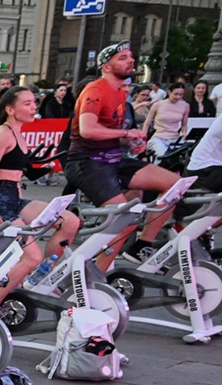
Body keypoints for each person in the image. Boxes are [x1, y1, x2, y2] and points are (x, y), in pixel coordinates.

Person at [63, 43, 182, 269]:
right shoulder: (95, 90)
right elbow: (88, 130)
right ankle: (91, 271)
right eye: (122, 57)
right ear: (106, 67)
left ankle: (141, 246)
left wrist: (132, 143)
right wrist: (127, 133)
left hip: (114, 159)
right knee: (125, 219)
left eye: (130, 56)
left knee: (175, 184)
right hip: (88, 164)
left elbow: (110, 134)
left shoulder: (119, 93)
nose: (131, 60)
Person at [0, 86, 81, 314]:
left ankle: (39, 277)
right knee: (31, 255)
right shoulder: (3, 133)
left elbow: (20, 173)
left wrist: (44, 168)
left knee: (70, 221)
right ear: (10, 110)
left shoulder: (19, 132)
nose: (34, 107)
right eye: (27, 104)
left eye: (34, 102)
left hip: (14, 198)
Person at [144, 84, 190, 157]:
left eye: (181, 95)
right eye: (176, 94)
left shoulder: (185, 106)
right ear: (169, 92)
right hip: (158, 137)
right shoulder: (158, 104)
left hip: (174, 138)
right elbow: (147, 123)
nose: (178, 97)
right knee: (163, 155)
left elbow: (184, 124)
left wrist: (184, 133)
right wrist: (143, 137)